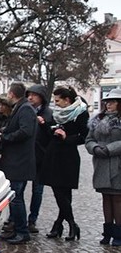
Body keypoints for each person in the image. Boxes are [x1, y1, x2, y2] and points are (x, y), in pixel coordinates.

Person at [39, 87, 89, 241]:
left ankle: (67, 224)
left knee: (64, 193)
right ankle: (64, 224)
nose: (55, 103)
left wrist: (66, 137)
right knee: (59, 192)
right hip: (54, 156)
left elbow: (83, 137)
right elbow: (50, 133)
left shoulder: (81, 113)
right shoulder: (57, 113)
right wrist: (46, 126)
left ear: (67, 100)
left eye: (57, 100)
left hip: (68, 157)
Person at [0, 83, 38, 244]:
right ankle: (15, 228)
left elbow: (25, 131)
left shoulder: (25, 109)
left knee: (16, 198)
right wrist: (5, 131)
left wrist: (6, 137)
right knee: (14, 197)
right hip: (15, 161)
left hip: (19, 161)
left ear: (12, 94)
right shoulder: (21, 108)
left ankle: (22, 231)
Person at [85, 88, 121, 246]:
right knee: (106, 198)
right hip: (101, 163)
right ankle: (107, 232)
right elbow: (89, 139)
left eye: (112, 102)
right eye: (107, 102)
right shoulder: (97, 120)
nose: (108, 105)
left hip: (117, 163)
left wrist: (110, 149)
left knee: (117, 199)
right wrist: (95, 148)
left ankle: (118, 233)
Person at [25, 84, 54, 234]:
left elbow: (49, 134)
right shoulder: (26, 110)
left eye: (33, 95)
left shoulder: (47, 113)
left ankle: (32, 219)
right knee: (18, 189)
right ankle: (18, 219)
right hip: (26, 156)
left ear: (41, 97)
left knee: (37, 190)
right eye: (28, 95)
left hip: (40, 157)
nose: (30, 97)